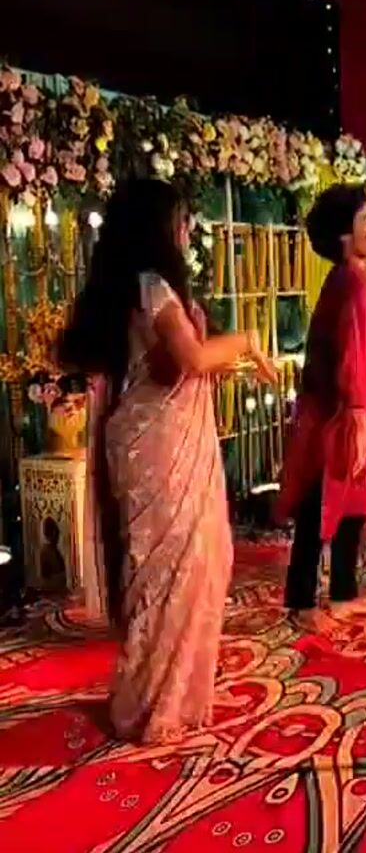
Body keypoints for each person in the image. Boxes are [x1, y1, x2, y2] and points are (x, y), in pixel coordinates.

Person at [58, 178, 276, 745]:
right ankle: (155, 702)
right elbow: (192, 359)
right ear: (158, 228)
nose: (186, 230)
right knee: (175, 569)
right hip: (157, 448)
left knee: (187, 564)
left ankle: (166, 694)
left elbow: (170, 365)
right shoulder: (151, 286)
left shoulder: (142, 289)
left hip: (156, 438)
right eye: (180, 220)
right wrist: (248, 342)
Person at [276, 184, 366, 627]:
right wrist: (356, 415)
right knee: (320, 504)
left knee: (353, 506)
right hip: (336, 415)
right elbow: (348, 353)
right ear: (344, 236)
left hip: (348, 409)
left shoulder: (354, 280)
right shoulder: (349, 284)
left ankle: (343, 593)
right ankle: (302, 602)